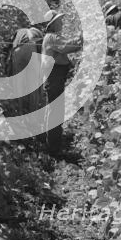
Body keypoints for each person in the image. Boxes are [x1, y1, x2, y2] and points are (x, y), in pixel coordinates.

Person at [40, 10, 82, 154]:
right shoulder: (52, 37)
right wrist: (82, 38)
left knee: (52, 110)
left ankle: (51, 144)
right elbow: (68, 47)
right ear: (53, 24)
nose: (62, 22)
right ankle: (54, 148)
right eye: (59, 20)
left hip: (54, 77)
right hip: (55, 77)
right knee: (56, 113)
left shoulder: (50, 37)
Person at [7, 23, 45, 115]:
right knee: (33, 84)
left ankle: (20, 112)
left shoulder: (18, 33)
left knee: (18, 84)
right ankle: (34, 111)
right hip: (31, 50)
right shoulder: (38, 33)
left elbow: (9, 51)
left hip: (17, 50)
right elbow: (41, 52)